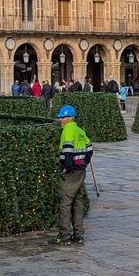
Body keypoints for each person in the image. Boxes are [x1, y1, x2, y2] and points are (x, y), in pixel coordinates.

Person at [51, 105, 90, 245]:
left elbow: (67, 152)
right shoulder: (80, 130)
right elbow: (89, 149)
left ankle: (64, 236)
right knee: (78, 201)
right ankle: (78, 234)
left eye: (63, 117)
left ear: (70, 118)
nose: (60, 119)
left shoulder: (67, 130)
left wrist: (67, 168)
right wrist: (83, 163)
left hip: (71, 171)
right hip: (80, 171)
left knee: (65, 202)